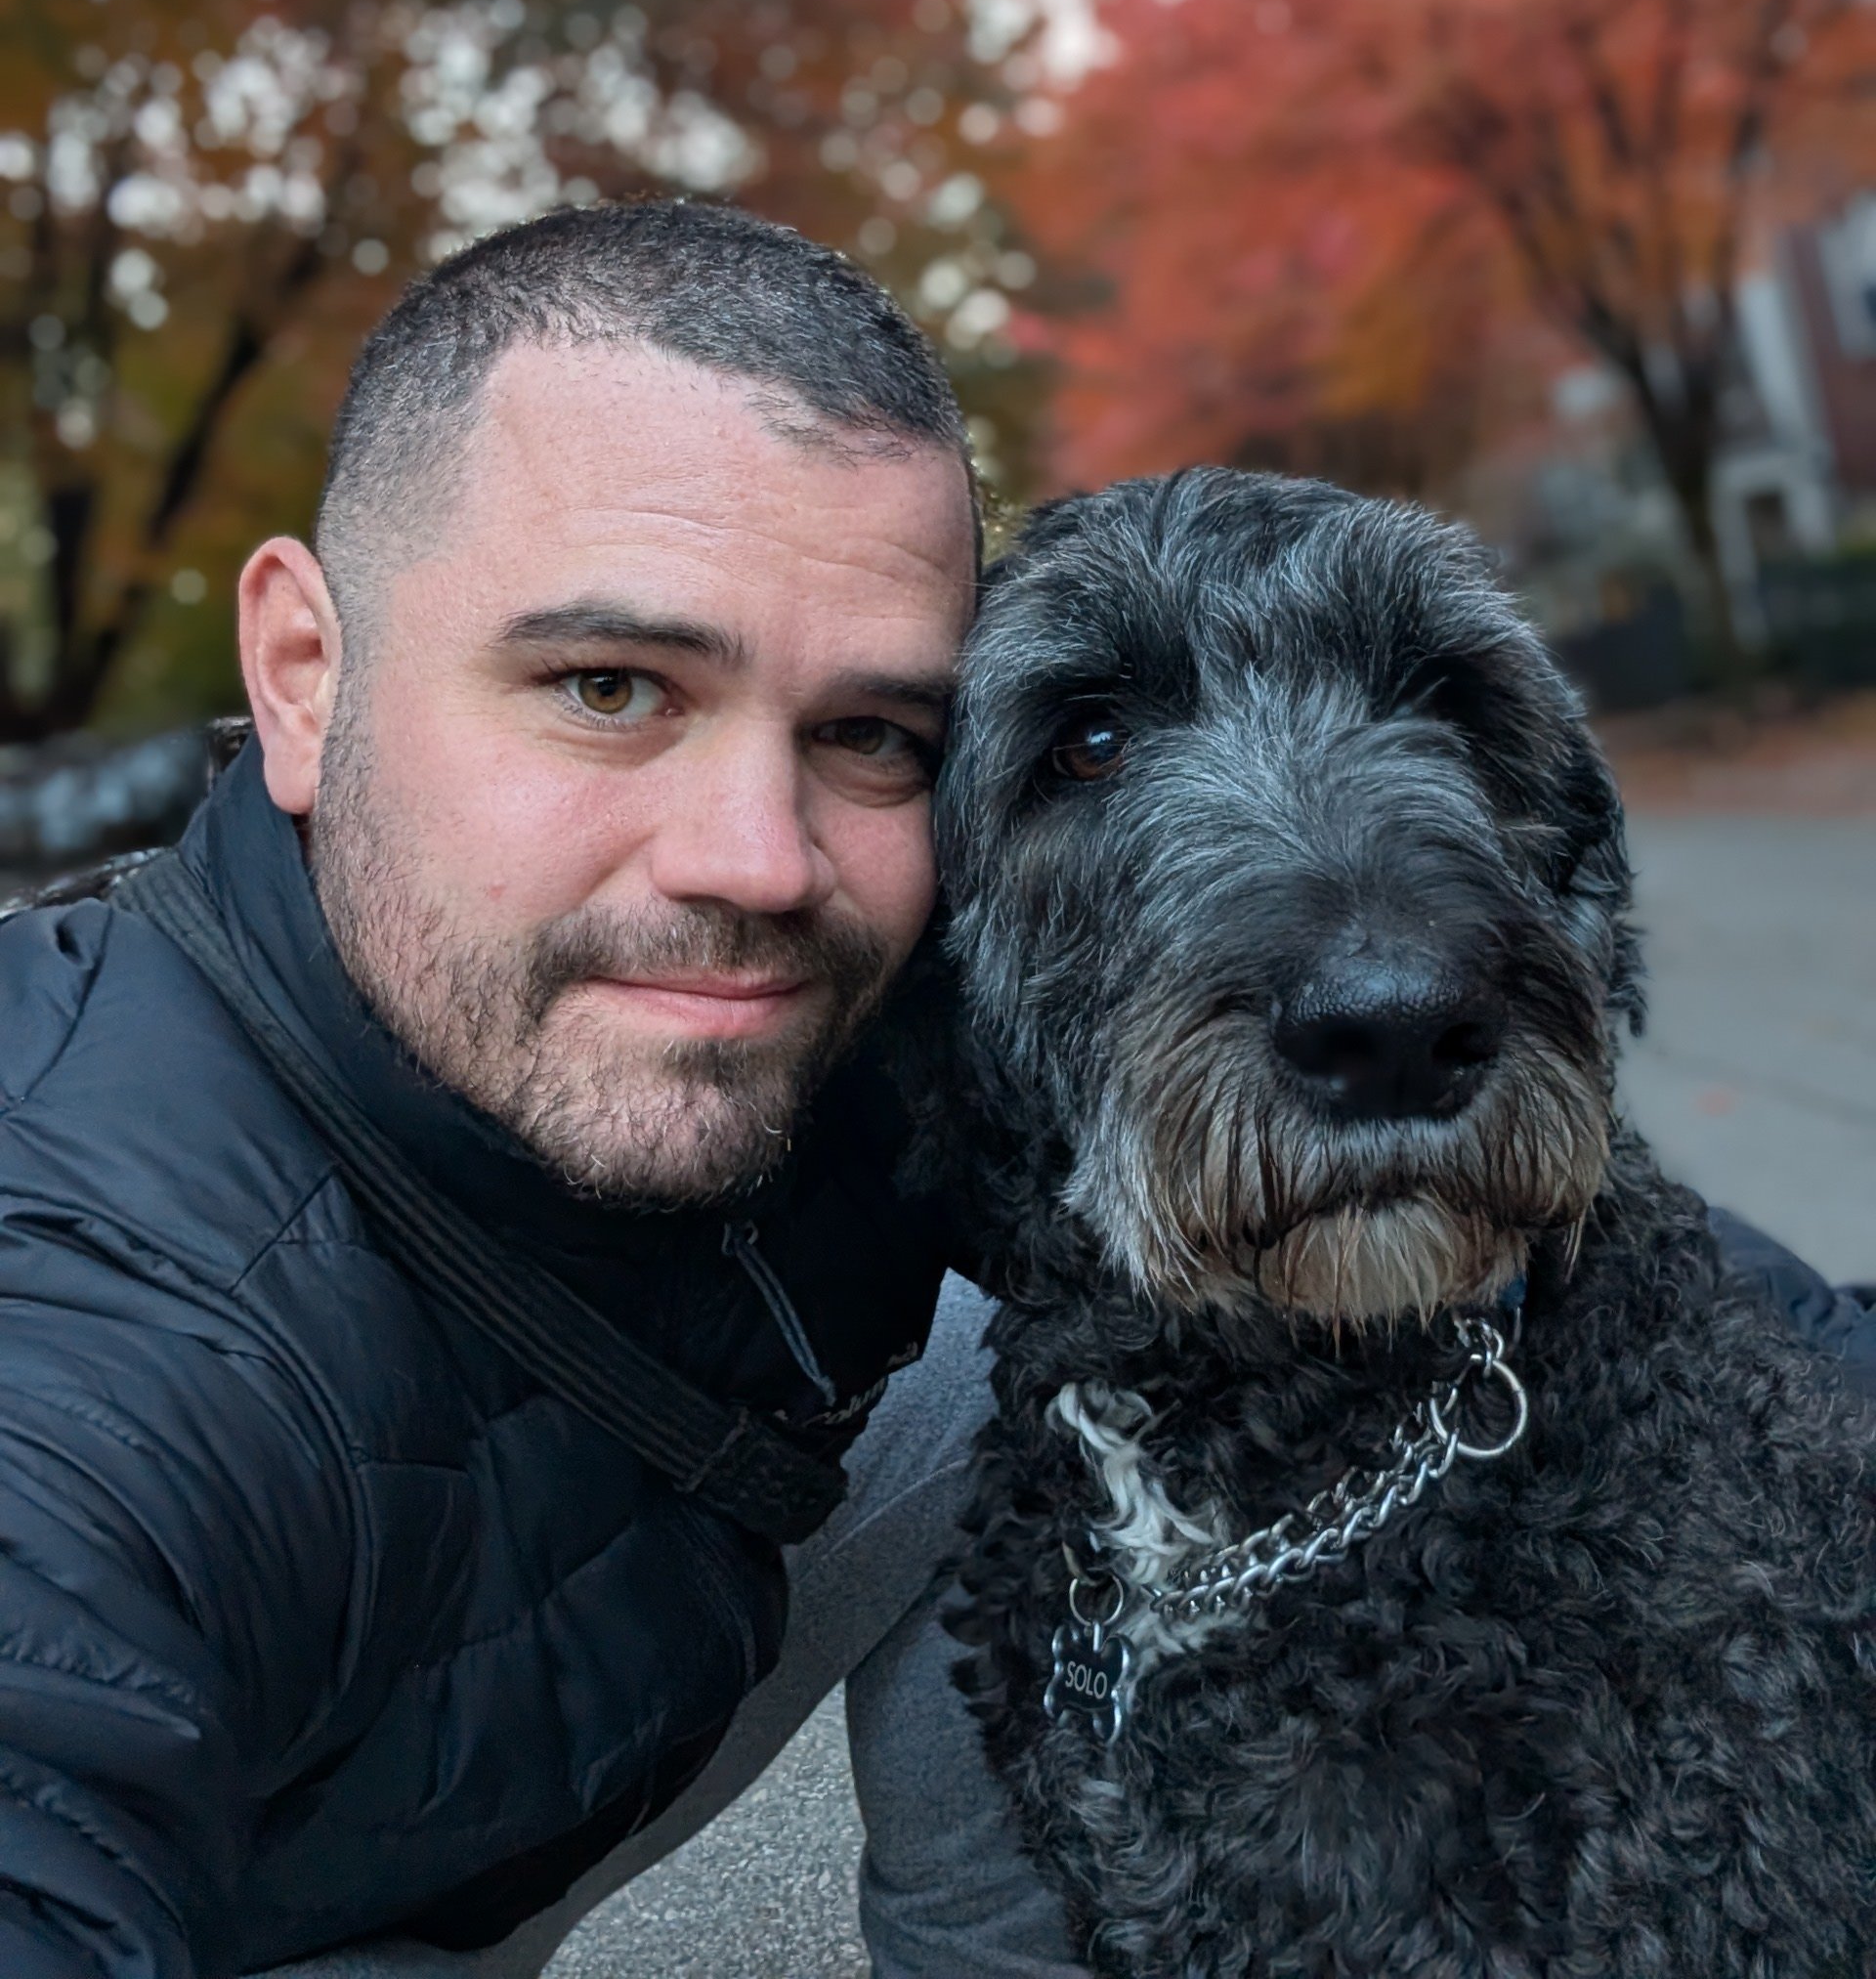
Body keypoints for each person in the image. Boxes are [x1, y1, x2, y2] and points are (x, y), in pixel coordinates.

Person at [0, 199, 1865, 1979]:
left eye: (871, 735)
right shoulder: (93, 1323)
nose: (755, 858)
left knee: (1017, 1327)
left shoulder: (863, 1037)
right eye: (607, 685)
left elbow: (1674, 1280)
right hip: (267, 1905)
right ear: (305, 674)